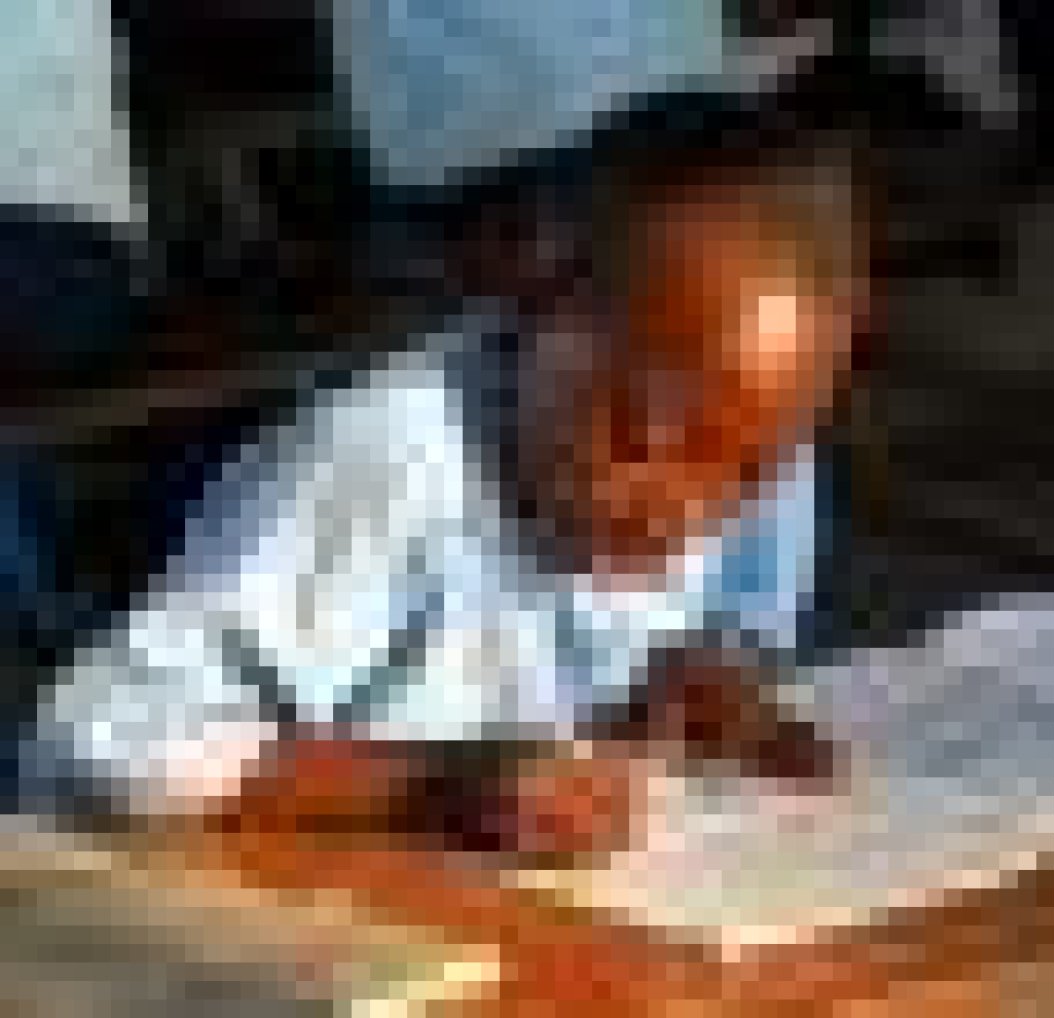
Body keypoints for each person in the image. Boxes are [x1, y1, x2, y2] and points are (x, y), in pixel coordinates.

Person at [24, 104, 870, 846]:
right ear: (533, 293)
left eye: (746, 476)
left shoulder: (751, 440)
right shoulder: (384, 465)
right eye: (636, 436)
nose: (679, 516)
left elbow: (719, 619)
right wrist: (428, 788)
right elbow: (92, 738)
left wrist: (709, 678)